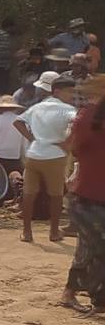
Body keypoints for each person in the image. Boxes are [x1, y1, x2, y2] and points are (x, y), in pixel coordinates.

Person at [17, 76, 79, 244]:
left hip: (34, 154)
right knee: (56, 195)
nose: (72, 96)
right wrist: (68, 143)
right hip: (55, 155)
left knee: (29, 193)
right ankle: (53, 232)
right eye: (69, 92)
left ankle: (26, 232)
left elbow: (18, 122)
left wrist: (32, 138)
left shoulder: (37, 107)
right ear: (57, 91)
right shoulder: (67, 109)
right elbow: (78, 124)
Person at [63, 96, 105, 312]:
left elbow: (75, 148)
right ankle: (79, 294)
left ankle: (92, 297)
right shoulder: (90, 114)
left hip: (88, 194)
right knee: (93, 248)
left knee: (91, 247)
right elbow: (75, 147)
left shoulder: (88, 113)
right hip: (89, 197)